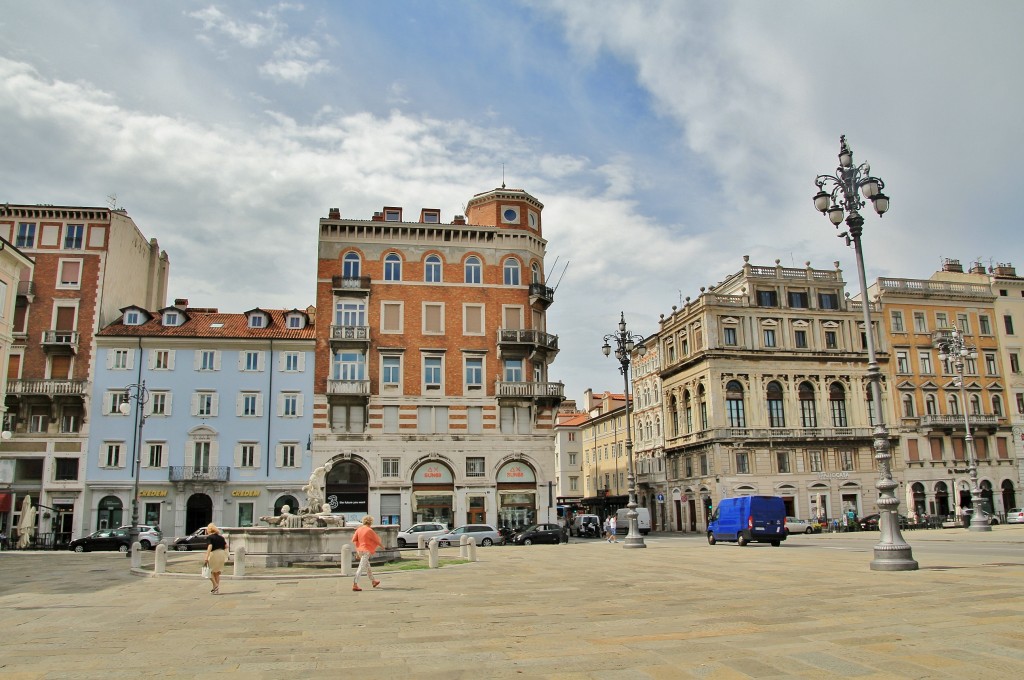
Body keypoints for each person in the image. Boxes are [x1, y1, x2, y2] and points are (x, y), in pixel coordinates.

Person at [351, 515, 382, 592]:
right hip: (366, 551)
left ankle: (373, 581)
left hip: (360, 550)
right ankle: (355, 584)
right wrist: (382, 546)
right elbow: (376, 540)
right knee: (361, 567)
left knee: (367, 567)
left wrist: (357, 552)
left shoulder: (359, 529)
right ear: (370, 522)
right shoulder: (369, 530)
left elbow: (354, 540)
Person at [203, 523, 227, 595]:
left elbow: (210, 546)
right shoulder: (221, 537)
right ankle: (215, 589)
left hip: (214, 554)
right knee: (216, 572)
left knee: (208, 571)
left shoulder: (210, 537)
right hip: (222, 554)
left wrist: (206, 557)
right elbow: (226, 546)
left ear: (209, 530)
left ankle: (215, 585)